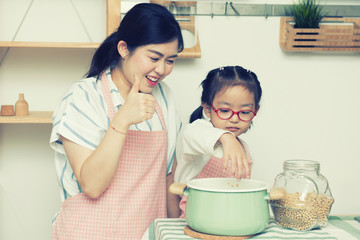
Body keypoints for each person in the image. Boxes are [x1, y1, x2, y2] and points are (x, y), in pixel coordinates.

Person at [49, 3, 184, 239]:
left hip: (147, 233)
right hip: (88, 232)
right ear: (124, 48)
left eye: (171, 60)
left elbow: (168, 178)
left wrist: (178, 232)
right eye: (154, 57)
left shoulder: (165, 97)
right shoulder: (83, 98)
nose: (161, 69)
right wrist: (122, 121)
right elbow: (92, 185)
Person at [174, 66, 262, 217]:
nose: (234, 119)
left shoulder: (243, 148)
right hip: (197, 217)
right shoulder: (199, 130)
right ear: (208, 109)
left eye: (245, 112)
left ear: (255, 111)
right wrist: (226, 137)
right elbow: (192, 133)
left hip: (231, 216)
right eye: (225, 110)